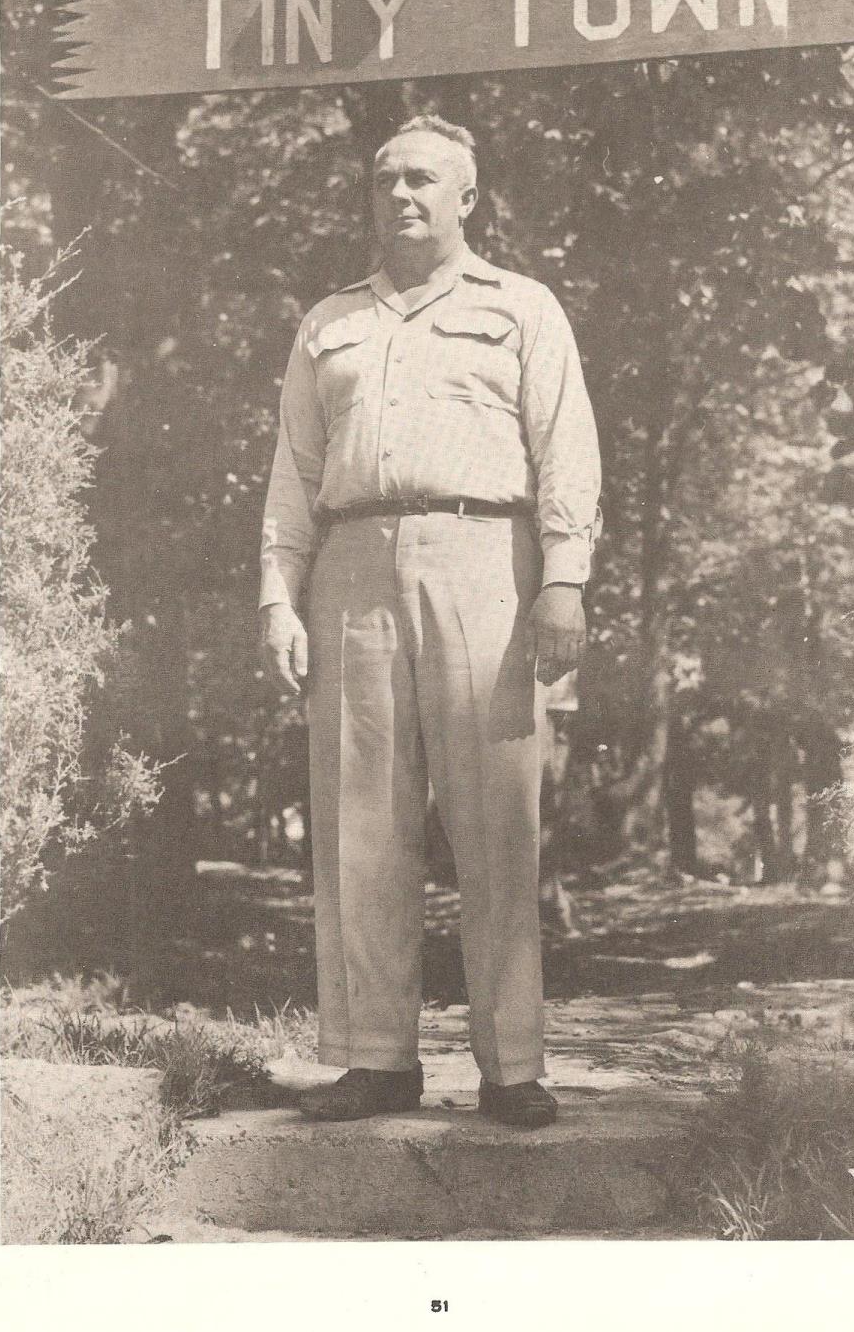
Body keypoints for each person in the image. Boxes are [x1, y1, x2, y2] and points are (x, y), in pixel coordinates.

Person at [258, 114, 600, 1127]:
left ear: (466, 197)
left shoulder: (521, 307)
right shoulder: (328, 321)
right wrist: (278, 595)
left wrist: (563, 578)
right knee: (360, 818)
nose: (399, 195)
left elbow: (565, 447)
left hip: (483, 561)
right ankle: (374, 1058)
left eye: (421, 180)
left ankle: (512, 1065)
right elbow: (292, 476)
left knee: (494, 821)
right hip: (350, 565)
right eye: (383, 180)